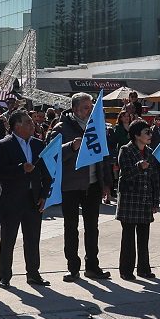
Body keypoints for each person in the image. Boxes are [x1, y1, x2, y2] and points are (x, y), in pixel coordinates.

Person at [48, 93, 111, 281]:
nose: (89, 110)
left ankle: (92, 266)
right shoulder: (61, 128)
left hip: (92, 184)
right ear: (74, 109)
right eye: (85, 107)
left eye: (90, 106)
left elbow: (105, 156)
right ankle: (73, 268)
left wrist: (106, 183)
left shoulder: (97, 126)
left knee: (92, 227)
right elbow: (51, 155)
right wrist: (71, 147)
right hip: (71, 185)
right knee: (71, 227)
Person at [0, 110, 52, 288]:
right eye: (28, 122)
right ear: (17, 126)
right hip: (12, 199)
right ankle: (5, 275)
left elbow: (47, 173)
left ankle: (33, 274)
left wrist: (44, 195)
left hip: (33, 198)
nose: (32, 124)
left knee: (33, 238)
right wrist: (21, 169)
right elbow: (0, 171)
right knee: (8, 239)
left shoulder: (38, 144)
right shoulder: (3, 145)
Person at [116, 119, 160, 280]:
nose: (150, 135)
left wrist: (155, 201)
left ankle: (144, 268)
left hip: (145, 199)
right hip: (130, 200)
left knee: (144, 237)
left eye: (150, 132)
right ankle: (126, 271)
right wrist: (138, 167)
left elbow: (155, 178)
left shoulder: (150, 152)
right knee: (128, 237)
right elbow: (126, 173)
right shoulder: (125, 150)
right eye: (146, 132)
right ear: (136, 135)